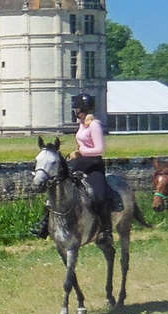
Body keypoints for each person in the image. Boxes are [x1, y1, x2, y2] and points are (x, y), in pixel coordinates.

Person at [32, 93, 110, 237]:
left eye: (77, 108)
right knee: (57, 188)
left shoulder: (94, 125)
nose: (75, 111)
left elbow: (99, 149)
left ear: (83, 109)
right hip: (79, 162)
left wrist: (80, 151)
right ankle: (44, 224)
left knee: (99, 195)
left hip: (93, 164)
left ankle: (105, 230)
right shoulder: (82, 124)